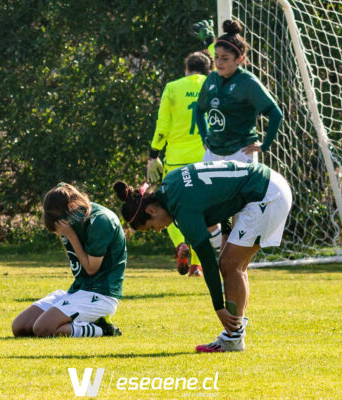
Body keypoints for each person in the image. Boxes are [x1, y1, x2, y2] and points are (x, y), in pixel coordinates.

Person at [114, 160, 292, 352]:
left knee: (230, 265)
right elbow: (220, 195)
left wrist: (219, 308)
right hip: (266, 184)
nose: (157, 231)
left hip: (265, 195)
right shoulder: (171, 182)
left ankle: (233, 338)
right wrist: (225, 234)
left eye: (150, 227)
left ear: (151, 210)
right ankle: (235, 331)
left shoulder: (182, 209)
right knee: (234, 264)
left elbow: (208, 261)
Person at [12, 183, 126, 338]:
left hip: (101, 294)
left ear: (72, 205)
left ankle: (103, 329)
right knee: (20, 327)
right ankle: (78, 321)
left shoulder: (100, 221)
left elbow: (91, 269)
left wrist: (71, 235)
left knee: (42, 329)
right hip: (78, 290)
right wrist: (65, 234)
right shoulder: (71, 215)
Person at [147, 51, 221, 277]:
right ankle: (197, 265)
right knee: (205, 211)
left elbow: (163, 125)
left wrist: (153, 155)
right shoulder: (213, 84)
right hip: (205, 157)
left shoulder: (173, 87)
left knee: (170, 206)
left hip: (176, 159)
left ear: (186, 68)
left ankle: (181, 244)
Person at [196, 20, 283, 164]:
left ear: (239, 59)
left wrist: (264, 146)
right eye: (216, 57)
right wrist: (204, 138)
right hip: (212, 152)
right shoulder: (211, 78)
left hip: (240, 153)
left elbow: (276, 113)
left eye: (225, 58)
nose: (218, 63)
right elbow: (199, 110)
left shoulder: (247, 82)